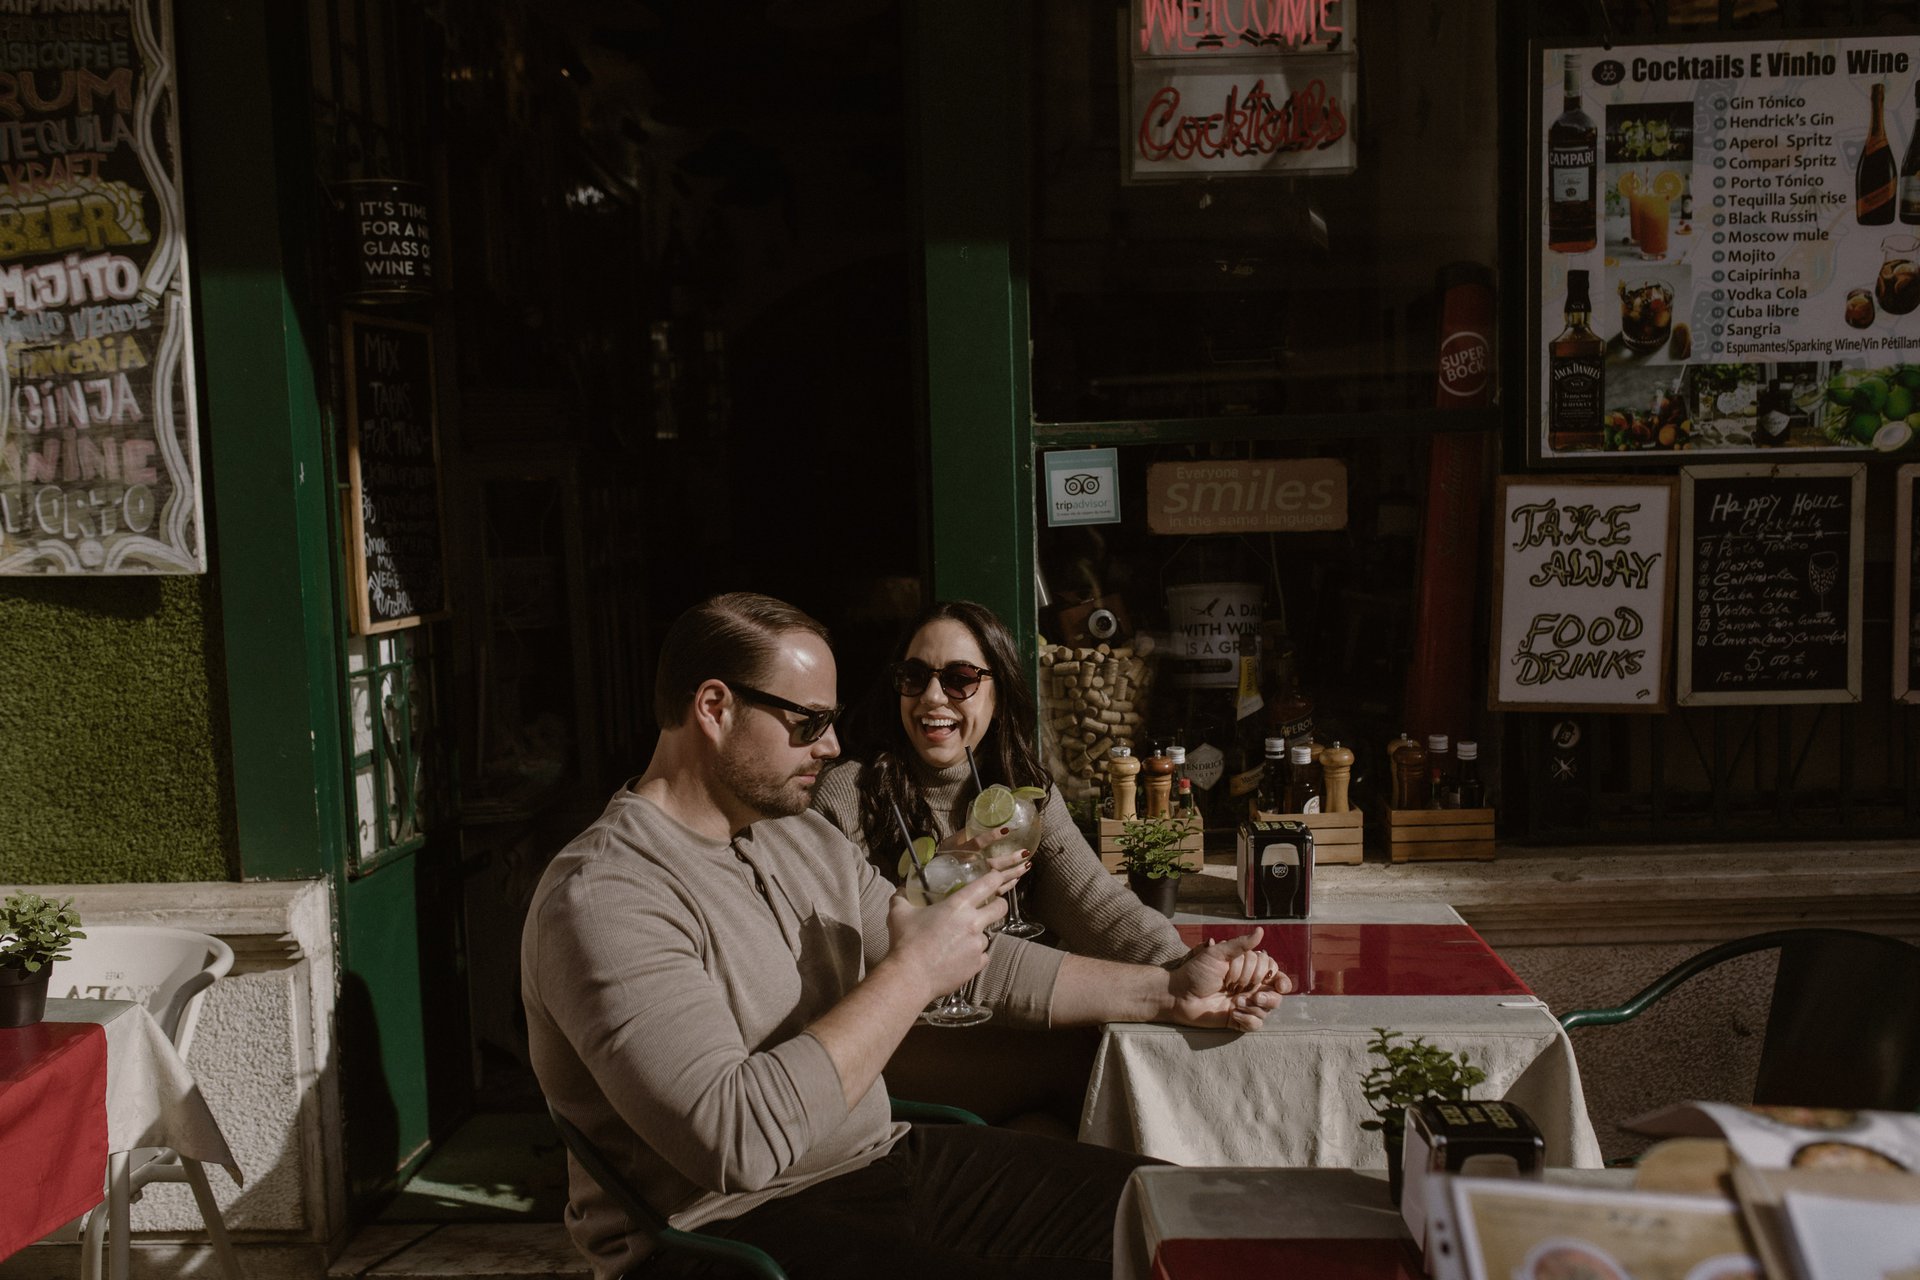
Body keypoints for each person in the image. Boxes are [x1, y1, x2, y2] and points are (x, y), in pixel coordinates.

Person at [523, 592, 1287, 1280]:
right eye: (808, 723)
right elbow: (738, 1143)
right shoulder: (605, 897)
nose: (831, 745)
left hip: (879, 1164)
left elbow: (969, 965)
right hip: (724, 1233)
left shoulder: (797, 838)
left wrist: (1167, 989)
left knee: (1195, 1218)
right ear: (715, 708)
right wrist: (915, 970)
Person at [810, 601, 1203, 1127]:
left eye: (959, 679)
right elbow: (878, 945)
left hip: (1002, 1030)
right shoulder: (847, 794)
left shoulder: (1023, 791)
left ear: (998, 693)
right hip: (897, 1046)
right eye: (914, 677)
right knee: (1094, 1059)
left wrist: (1187, 965)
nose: (932, 697)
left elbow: (1099, 906)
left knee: (1072, 1105)